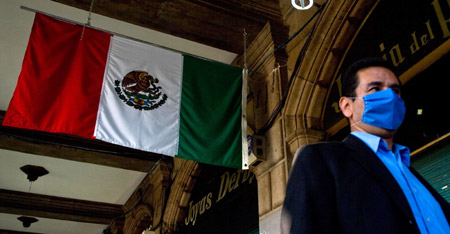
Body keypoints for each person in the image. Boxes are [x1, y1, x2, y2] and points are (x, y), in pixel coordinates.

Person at [280, 57, 450, 234]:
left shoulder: (407, 169)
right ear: (347, 106)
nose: (390, 97)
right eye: (375, 89)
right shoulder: (321, 159)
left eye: (395, 90)